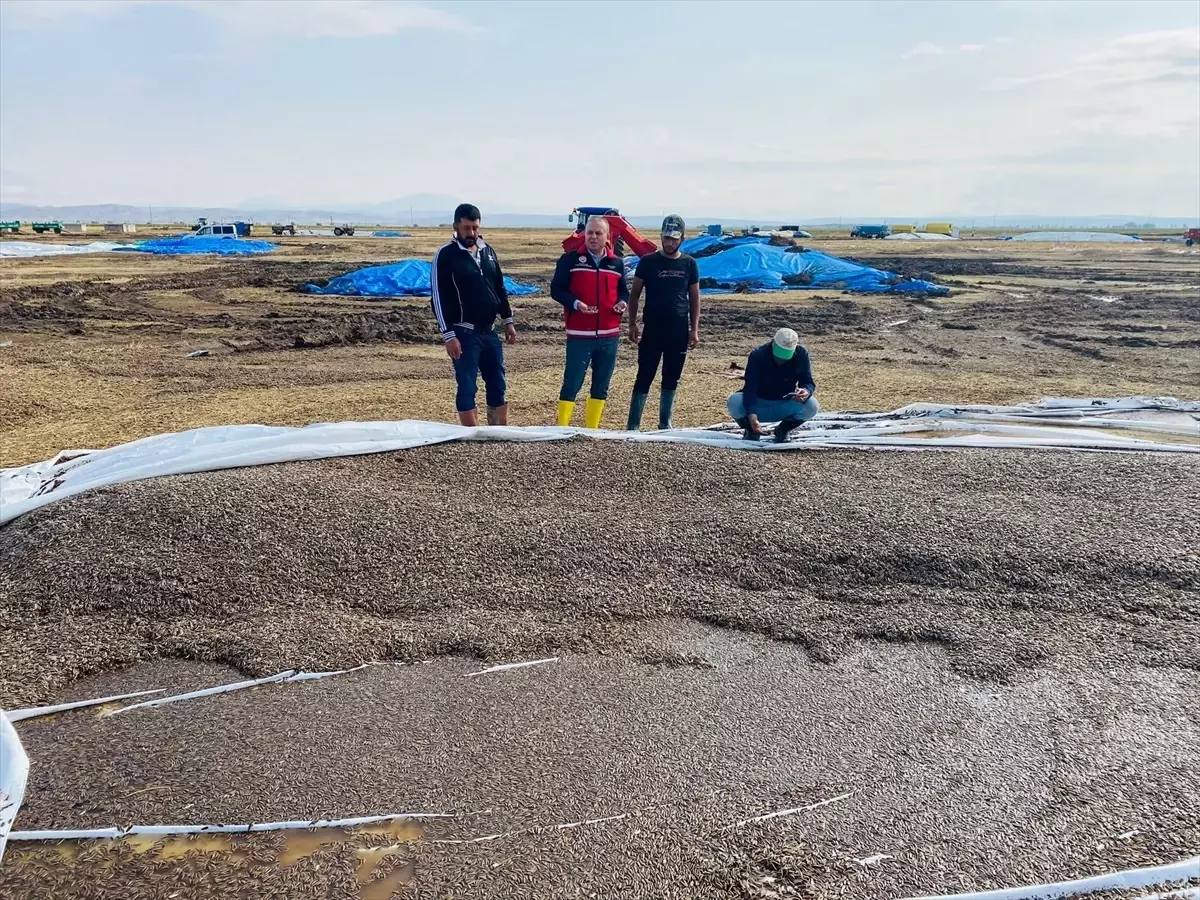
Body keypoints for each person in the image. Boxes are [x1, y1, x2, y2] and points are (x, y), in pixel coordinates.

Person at [430, 203, 517, 426]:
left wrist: (508, 320)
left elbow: (499, 287)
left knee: (497, 381)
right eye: (467, 228)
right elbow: (438, 297)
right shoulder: (446, 255)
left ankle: (498, 428)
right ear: (456, 226)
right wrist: (449, 335)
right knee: (467, 384)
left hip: (489, 332)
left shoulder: (488, 251)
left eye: (475, 228)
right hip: (463, 332)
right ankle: (469, 433)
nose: (471, 233)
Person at [550, 216, 629, 428]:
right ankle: (563, 428)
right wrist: (576, 304)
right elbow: (556, 290)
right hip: (579, 335)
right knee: (572, 383)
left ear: (607, 236)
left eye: (598, 233)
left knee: (601, 384)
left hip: (609, 335)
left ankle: (592, 429)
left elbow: (623, 292)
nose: (593, 237)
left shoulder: (617, 263)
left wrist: (623, 303)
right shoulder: (569, 260)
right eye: (589, 233)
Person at [625, 214, 700, 431]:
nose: (670, 243)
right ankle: (633, 424)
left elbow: (694, 298)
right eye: (667, 238)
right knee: (645, 374)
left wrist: (694, 330)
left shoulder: (689, 264)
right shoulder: (648, 262)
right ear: (661, 237)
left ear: (682, 239)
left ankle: (665, 422)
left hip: (678, 331)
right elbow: (634, 294)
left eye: (674, 239)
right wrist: (632, 323)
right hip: (652, 330)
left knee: (671, 376)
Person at [727, 328, 820, 443]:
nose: (781, 359)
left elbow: (808, 381)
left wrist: (806, 391)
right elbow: (750, 387)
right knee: (734, 401)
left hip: (785, 403)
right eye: (780, 353)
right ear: (773, 342)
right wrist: (752, 415)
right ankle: (751, 430)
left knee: (812, 406)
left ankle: (783, 430)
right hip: (759, 402)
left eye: (786, 354)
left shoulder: (801, 354)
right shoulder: (758, 355)